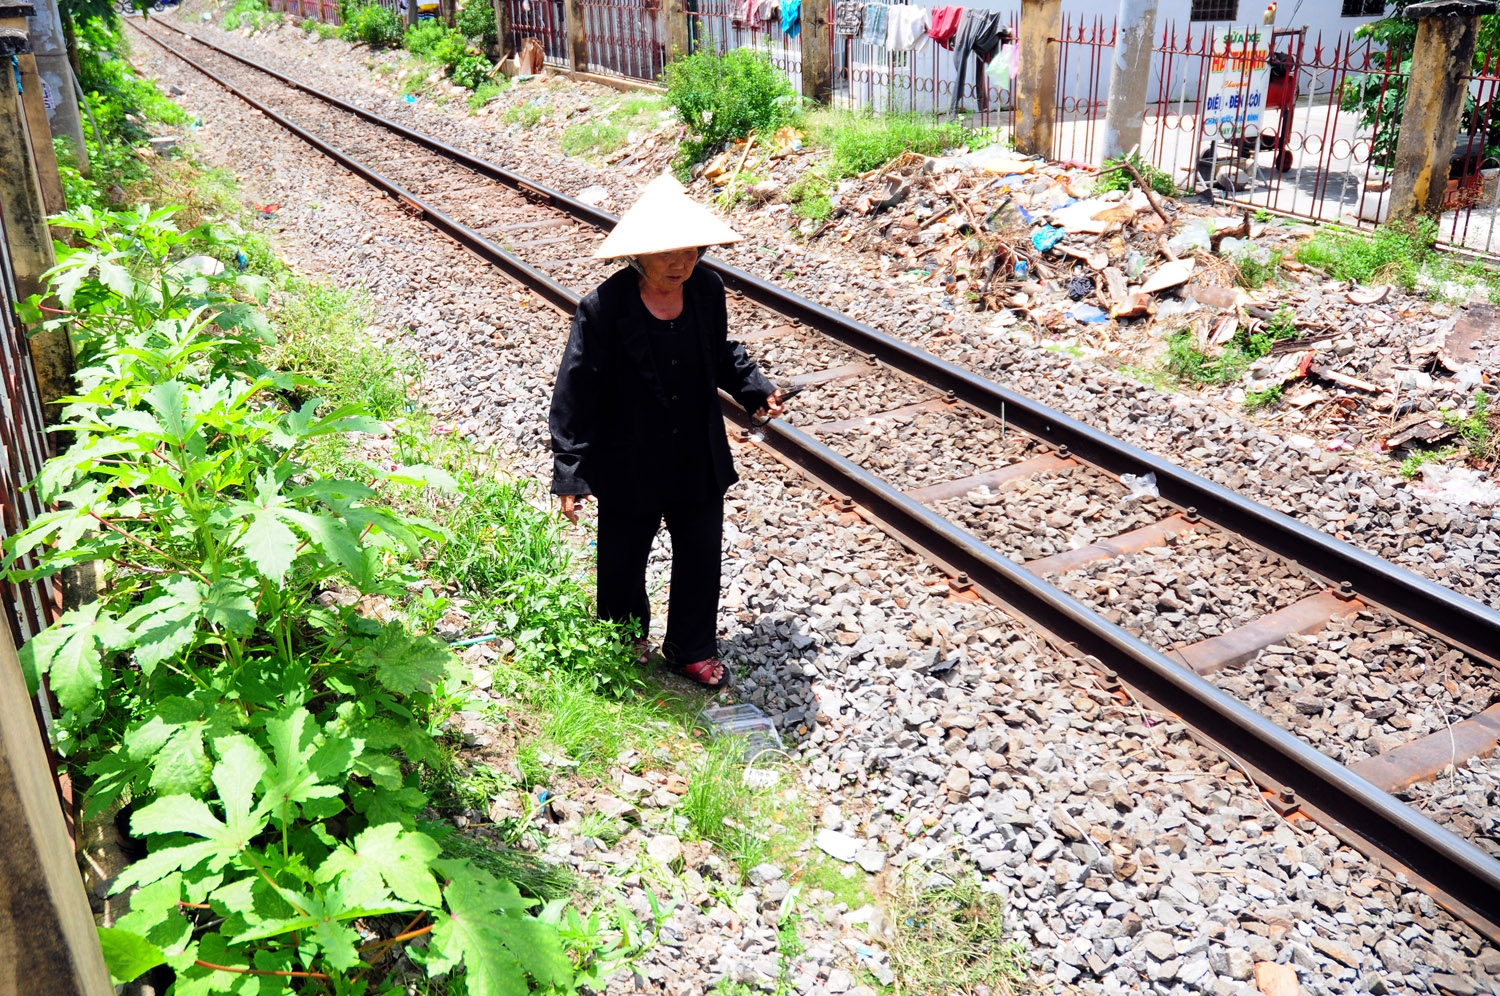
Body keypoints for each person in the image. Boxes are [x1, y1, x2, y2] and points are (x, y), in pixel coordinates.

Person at [549, 176, 785, 688]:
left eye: (691, 252)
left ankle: (689, 648)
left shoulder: (705, 290)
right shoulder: (603, 308)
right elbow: (576, 390)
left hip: (695, 451)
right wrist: (570, 470)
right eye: (668, 254)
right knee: (622, 555)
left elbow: (720, 350)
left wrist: (751, 387)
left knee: (701, 549)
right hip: (627, 453)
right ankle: (622, 636)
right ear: (639, 255)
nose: (682, 264)